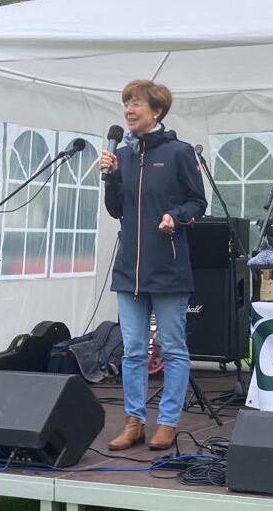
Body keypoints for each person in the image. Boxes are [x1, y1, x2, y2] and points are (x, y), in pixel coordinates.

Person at [100, 80, 207, 451]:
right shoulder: (123, 155)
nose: (128, 110)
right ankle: (134, 422)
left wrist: (175, 216)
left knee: (172, 348)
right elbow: (115, 209)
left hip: (168, 267)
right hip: (129, 269)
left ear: (156, 111)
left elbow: (198, 203)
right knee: (132, 351)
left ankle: (168, 422)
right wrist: (112, 177)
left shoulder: (178, 152)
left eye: (136, 104)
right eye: (126, 103)